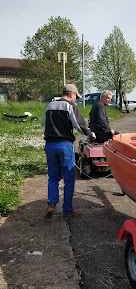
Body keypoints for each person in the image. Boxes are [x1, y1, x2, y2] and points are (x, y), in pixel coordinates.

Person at [41, 84, 96, 220]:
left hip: (50, 145)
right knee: (69, 179)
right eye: (75, 97)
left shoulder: (50, 105)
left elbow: (43, 123)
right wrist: (90, 134)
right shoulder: (70, 106)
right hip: (64, 145)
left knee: (53, 177)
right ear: (71, 94)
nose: (75, 100)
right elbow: (79, 125)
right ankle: (67, 211)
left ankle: (52, 204)